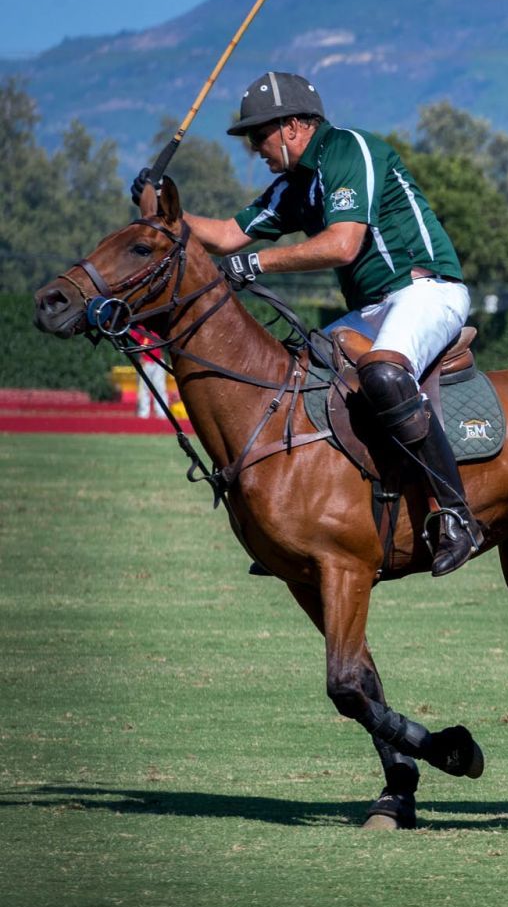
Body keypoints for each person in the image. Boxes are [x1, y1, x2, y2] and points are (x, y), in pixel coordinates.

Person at [129, 71, 480, 576]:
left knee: (383, 374)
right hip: (372, 309)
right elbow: (226, 235)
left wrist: (259, 264)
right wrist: (160, 209)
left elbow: (343, 243)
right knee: (299, 374)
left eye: (260, 135)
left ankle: (455, 516)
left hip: (425, 292)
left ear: (294, 126)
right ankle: (306, 521)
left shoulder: (348, 150)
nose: (255, 149)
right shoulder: (294, 186)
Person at [130, 325, 169, 419]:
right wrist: (138, 357)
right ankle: (143, 414)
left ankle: (162, 414)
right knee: (144, 389)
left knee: (160, 388)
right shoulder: (139, 326)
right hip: (145, 361)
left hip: (158, 360)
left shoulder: (156, 323)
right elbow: (132, 341)